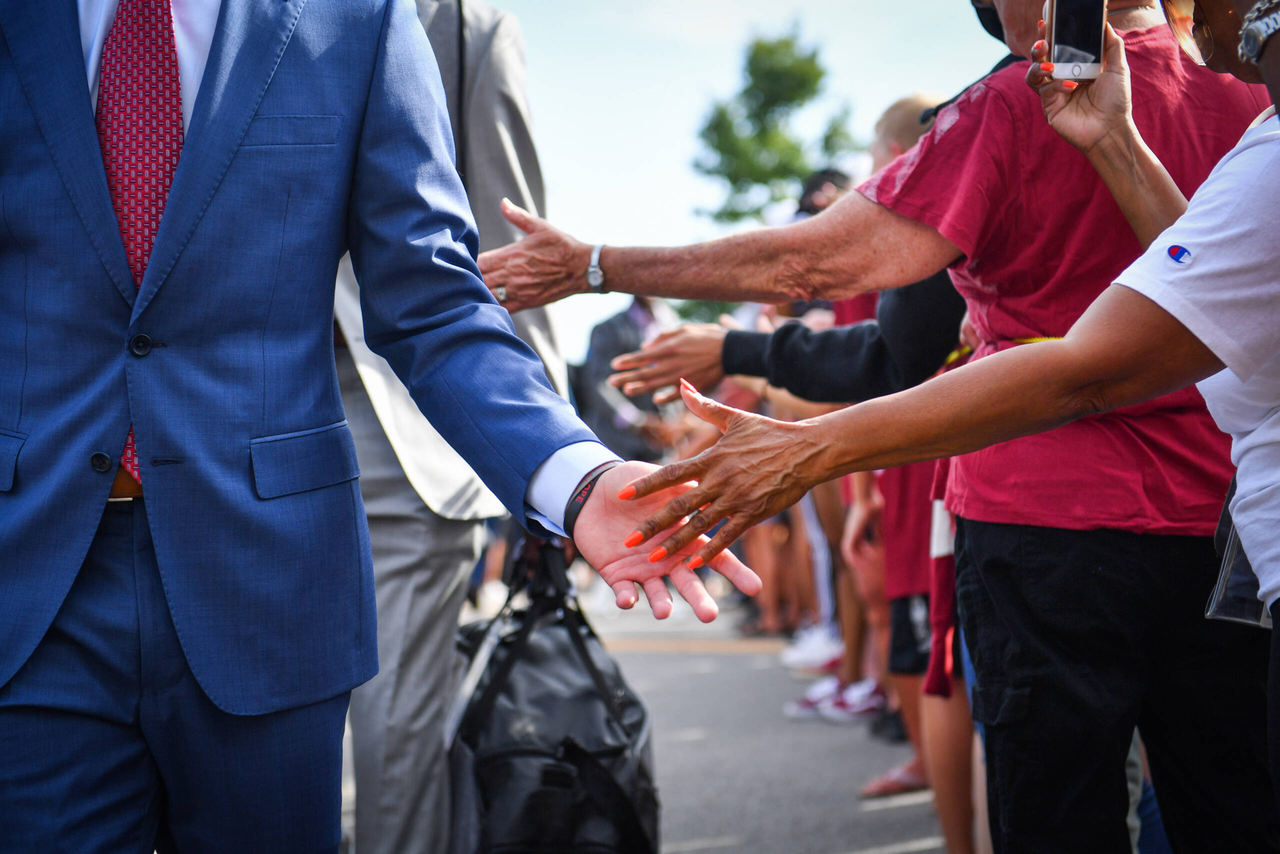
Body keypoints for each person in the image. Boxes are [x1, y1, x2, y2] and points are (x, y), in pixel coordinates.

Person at [479, 1, 1277, 849]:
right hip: (1225, 525)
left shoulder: (1015, 102)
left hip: (1046, 519)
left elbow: (821, 265)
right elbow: (1193, 278)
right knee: (1233, 810)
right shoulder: (1244, 98)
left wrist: (596, 265)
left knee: (1060, 815)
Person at [0, 1, 760, 848]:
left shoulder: (359, 19)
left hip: (267, 579)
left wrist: (574, 477)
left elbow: (434, 303)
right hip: (31, 579)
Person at [331, 1, 568, 852]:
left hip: (401, 419)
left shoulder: (465, 22)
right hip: (205, 416)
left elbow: (513, 253)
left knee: (396, 743)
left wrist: (545, 470)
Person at [578, 297, 680, 463]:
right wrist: (636, 421)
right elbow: (599, 384)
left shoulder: (673, 325)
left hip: (662, 448)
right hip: (615, 446)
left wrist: (677, 424)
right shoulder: (608, 329)